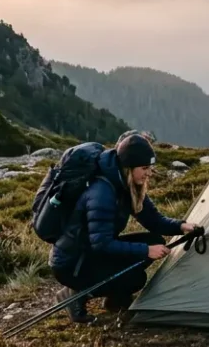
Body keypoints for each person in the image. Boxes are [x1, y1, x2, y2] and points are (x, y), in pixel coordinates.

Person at [48, 132, 196, 324]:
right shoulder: (102, 192)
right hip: (72, 263)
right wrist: (146, 251)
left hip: (90, 253)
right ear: (129, 167)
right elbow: (101, 243)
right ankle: (75, 293)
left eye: (150, 168)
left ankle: (114, 299)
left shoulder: (126, 185)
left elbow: (154, 221)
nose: (149, 173)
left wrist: (182, 226)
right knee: (136, 277)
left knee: (155, 241)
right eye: (144, 168)